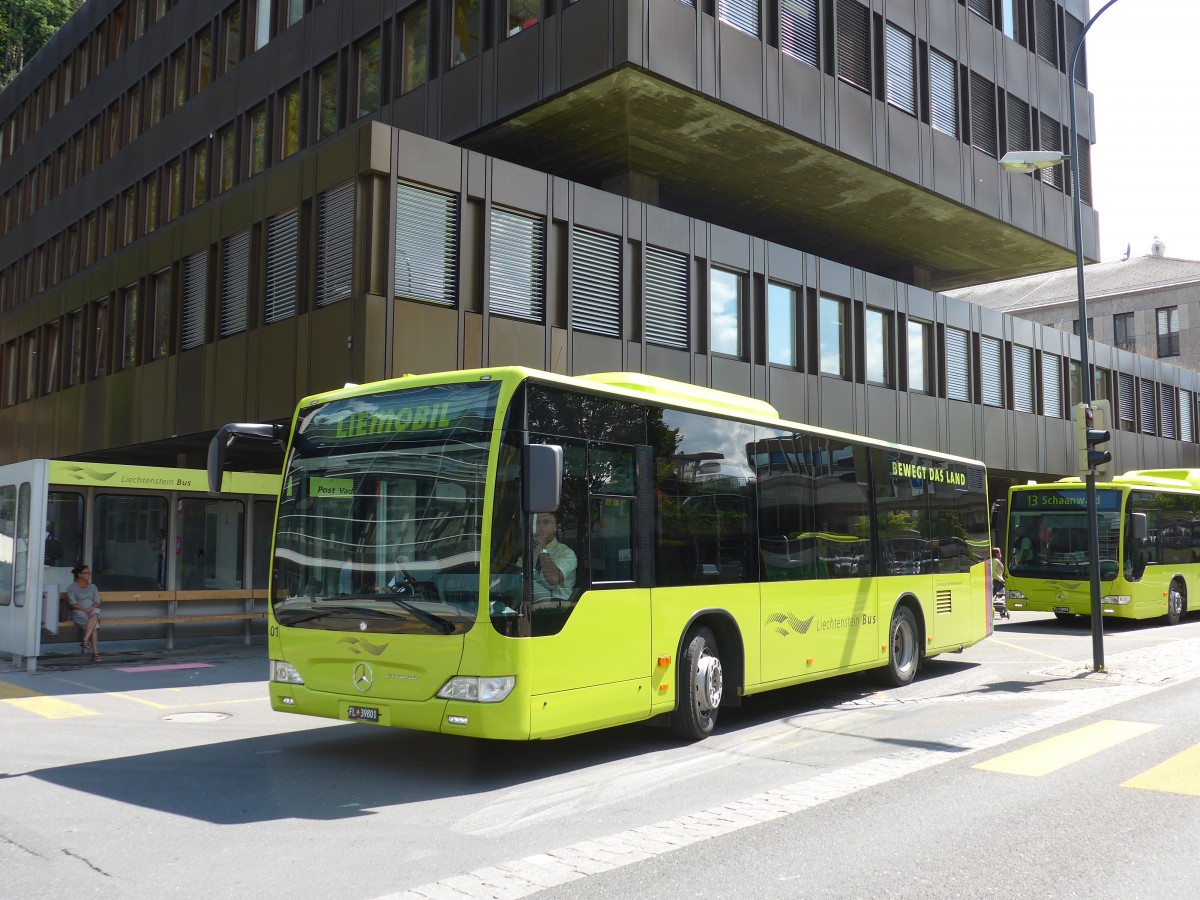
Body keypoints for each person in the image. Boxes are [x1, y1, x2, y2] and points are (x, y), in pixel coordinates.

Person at [531, 511, 577, 602]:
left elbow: (553, 578)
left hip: (558, 605)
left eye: (545, 522)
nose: (540, 527)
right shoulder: (532, 551)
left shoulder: (566, 552)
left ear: (555, 527)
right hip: (532, 602)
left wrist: (542, 548)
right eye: (537, 522)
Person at [67, 563, 102, 662]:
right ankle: (95, 653)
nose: (89, 575)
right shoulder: (72, 588)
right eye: (86, 573)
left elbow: (97, 602)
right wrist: (84, 609)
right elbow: (72, 603)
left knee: (95, 613)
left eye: (89, 573)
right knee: (94, 625)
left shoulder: (93, 587)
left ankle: (85, 640)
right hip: (79, 612)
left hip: (92, 610)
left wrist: (90, 608)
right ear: (79, 575)